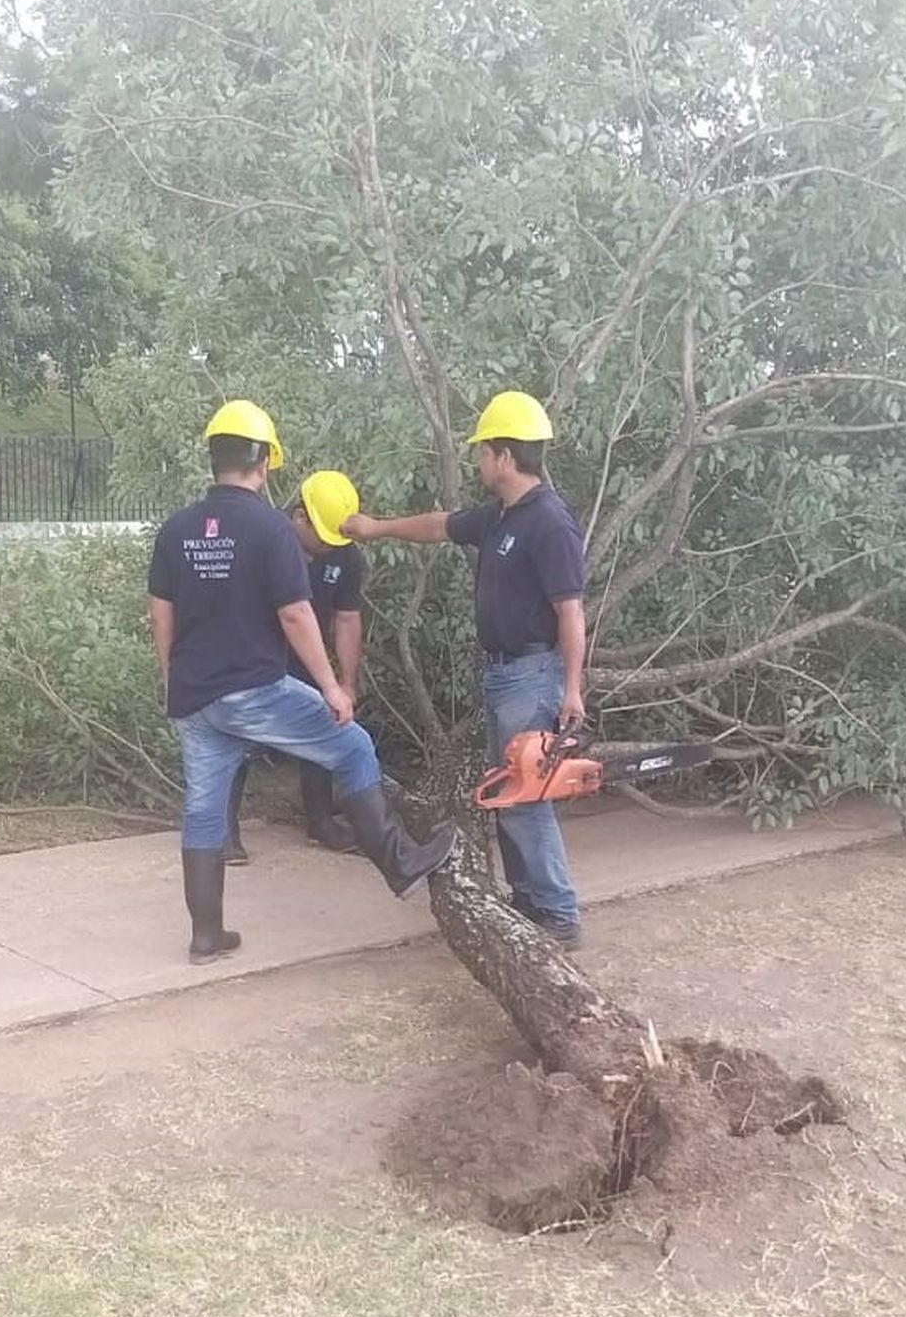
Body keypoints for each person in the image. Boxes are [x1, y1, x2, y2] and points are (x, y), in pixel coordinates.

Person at [147, 399, 455, 963]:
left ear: (214, 458)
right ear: (264, 460)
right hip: (254, 689)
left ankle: (207, 935)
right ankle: (401, 864)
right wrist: (333, 688)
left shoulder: (177, 529)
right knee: (355, 746)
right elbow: (295, 615)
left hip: (195, 694)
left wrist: (172, 677)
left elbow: (160, 613)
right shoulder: (271, 530)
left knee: (203, 808)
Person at [344, 390, 586, 945]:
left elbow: (571, 613)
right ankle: (530, 904)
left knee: (525, 798)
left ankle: (557, 913)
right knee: (511, 795)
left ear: (504, 456)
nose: (477, 462)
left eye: (482, 452)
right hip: (505, 675)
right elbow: (440, 525)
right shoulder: (502, 515)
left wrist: (571, 690)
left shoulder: (549, 523)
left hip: (532, 675)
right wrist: (376, 528)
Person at [225, 469, 366, 862]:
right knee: (237, 739)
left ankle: (320, 818)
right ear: (299, 516)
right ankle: (223, 828)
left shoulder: (344, 553)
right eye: (322, 536)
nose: (328, 546)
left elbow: (348, 618)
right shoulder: (266, 543)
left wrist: (345, 681)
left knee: (321, 723)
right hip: (255, 655)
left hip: (309, 657)